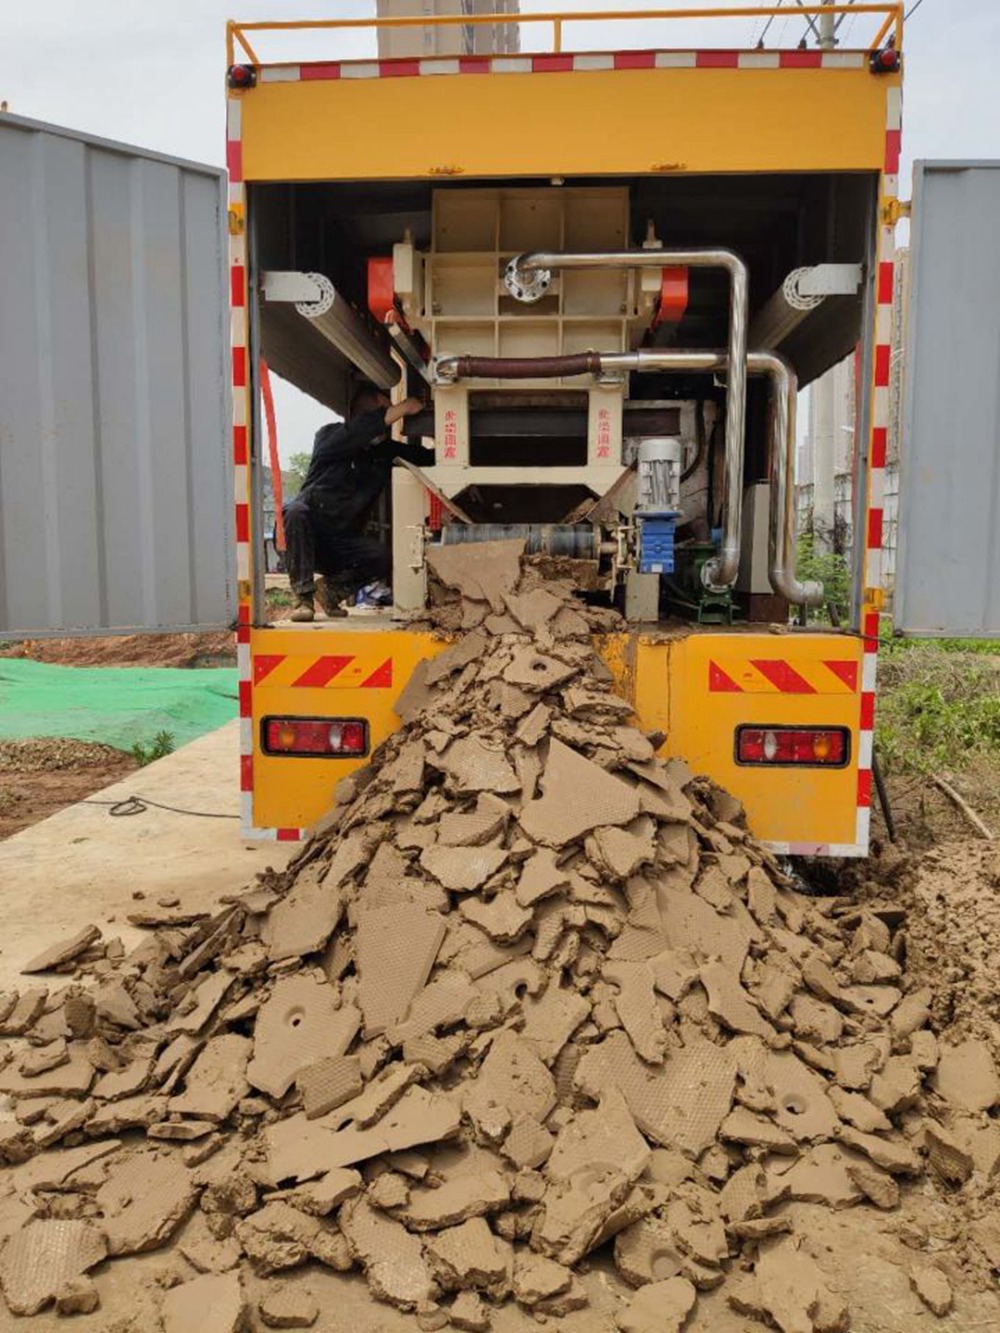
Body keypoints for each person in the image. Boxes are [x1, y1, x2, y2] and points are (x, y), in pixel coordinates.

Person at [283, 385, 432, 621]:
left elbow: (428, 459)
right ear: (360, 416)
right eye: (385, 413)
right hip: (304, 537)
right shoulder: (329, 437)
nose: (388, 419)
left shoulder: (382, 452)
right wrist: (404, 408)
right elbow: (357, 432)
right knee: (295, 511)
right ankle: (303, 599)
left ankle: (330, 593)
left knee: (381, 556)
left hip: (340, 544)